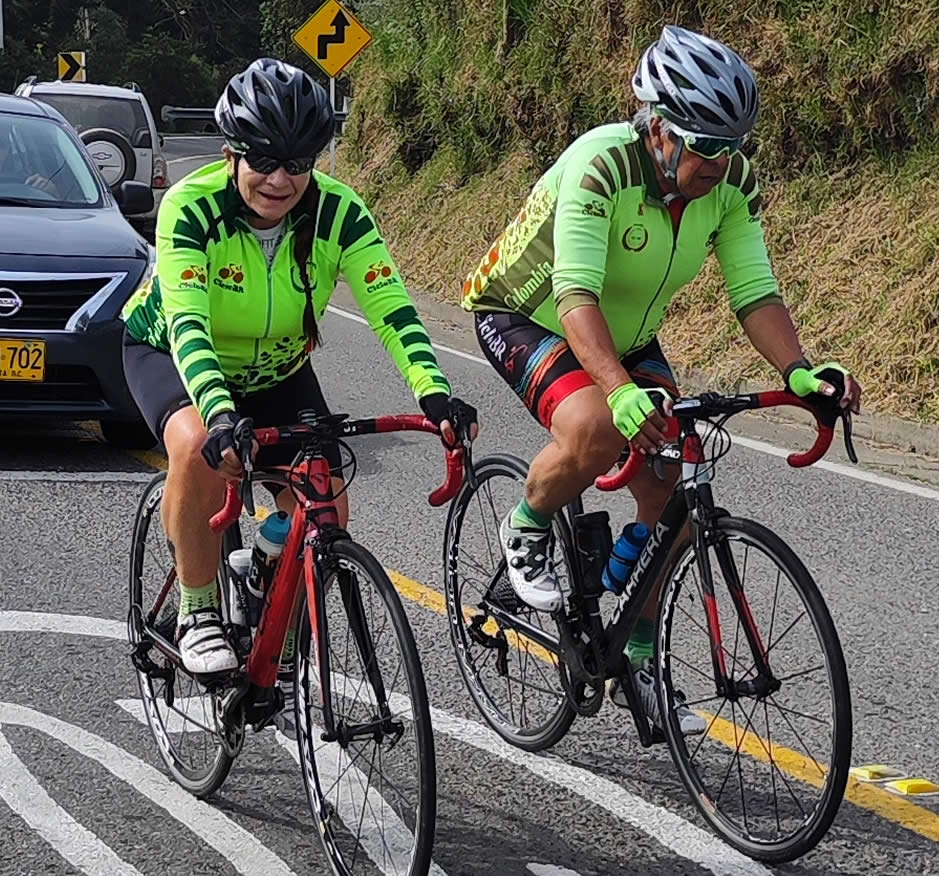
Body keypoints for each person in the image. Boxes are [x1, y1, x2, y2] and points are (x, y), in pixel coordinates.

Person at [461, 25, 861, 734]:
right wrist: (617, 391)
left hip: (626, 332)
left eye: (733, 145)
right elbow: (575, 294)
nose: (721, 162)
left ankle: (640, 662)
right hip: (530, 313)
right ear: (658, 129)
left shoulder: (730, 183)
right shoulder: (601, 164)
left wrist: (799, 371)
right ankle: (525, 525)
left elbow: (755, 292)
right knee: (594, 425)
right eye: (705, 145)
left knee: (671, 485)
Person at [121, 59, 477, 700]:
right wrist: (220, 414)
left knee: (326, 504)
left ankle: (268, 589)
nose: (280, 180)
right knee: (197, 447)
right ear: (231, 154)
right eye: (263, 161)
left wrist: (432, 391)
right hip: (171, 351)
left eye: (297, 163)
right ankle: (198, 608)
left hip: (277, 369)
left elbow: (392, 309)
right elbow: (189, 325)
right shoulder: (191, 208)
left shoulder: (340, 214)